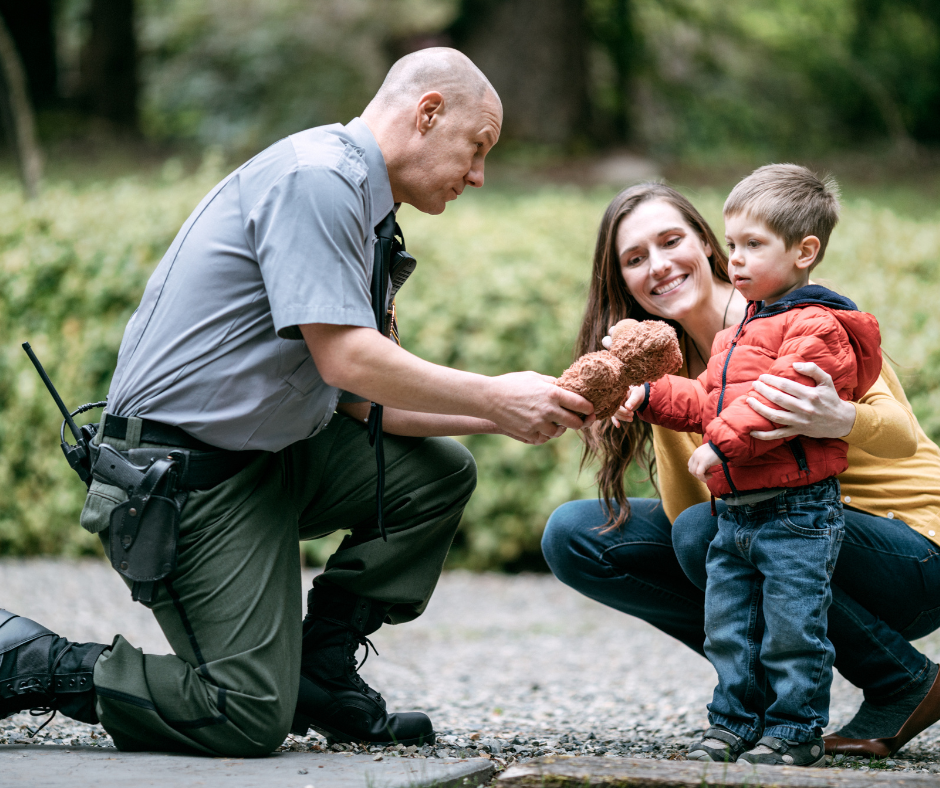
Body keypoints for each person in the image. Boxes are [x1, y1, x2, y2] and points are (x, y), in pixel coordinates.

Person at [0, 48, 594, 757]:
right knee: (243, 714)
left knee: (437, 474)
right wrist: (496, 397)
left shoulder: (367, 205)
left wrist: (528, 411)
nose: (478, 173)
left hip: (269, 456)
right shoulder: (320, 178)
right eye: (477, 147)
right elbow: (349, 355)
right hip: (180, 479)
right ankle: (28, 660)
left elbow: (356, 397)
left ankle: (320, 671)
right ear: (428, 112)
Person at [541, 180, 940, 759]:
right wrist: (645, 395)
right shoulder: (667, 362)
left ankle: (899, 679)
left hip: (910, 549)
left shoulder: (797, 318)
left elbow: (905, 441)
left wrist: (840, 417)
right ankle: (755, 691)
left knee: (715, 529)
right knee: (578, 535)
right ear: (622, 279)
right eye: (634, 258)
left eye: (670, 240)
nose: (657, 266)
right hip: (780, 526)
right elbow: (689, 516)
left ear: (707, 244)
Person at [616, 165, 881, 766]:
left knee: (794, 628)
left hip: (797, 512)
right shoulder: (743, 331)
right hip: (737, 513)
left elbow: (773, 402)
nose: (733, 260)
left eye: (752, 246)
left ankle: (795, 730)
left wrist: (722, 445)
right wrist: (651, 396)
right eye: (731, 245)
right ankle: (734, 722)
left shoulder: (815, 326)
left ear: (804, 251)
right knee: (730, 626)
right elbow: (707, 399)